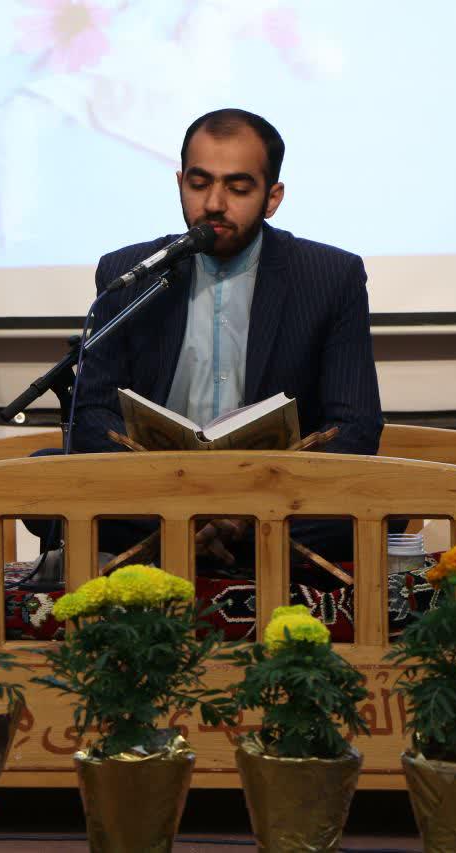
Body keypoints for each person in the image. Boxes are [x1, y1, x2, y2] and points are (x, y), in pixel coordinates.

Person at [39, 108, 385, 576]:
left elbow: (355, 425)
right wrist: (175, 505)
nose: (214, 203)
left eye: (238, 188)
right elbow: (94, 411)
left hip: (276, 498)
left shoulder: (330, 276)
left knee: (380, 501)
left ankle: (207, 542)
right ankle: (205, 541)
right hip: (155, 495)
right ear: (180, 182)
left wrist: (249, 509)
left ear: (272, 197)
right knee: (41, 475)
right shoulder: (130, 272)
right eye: (199, 184)